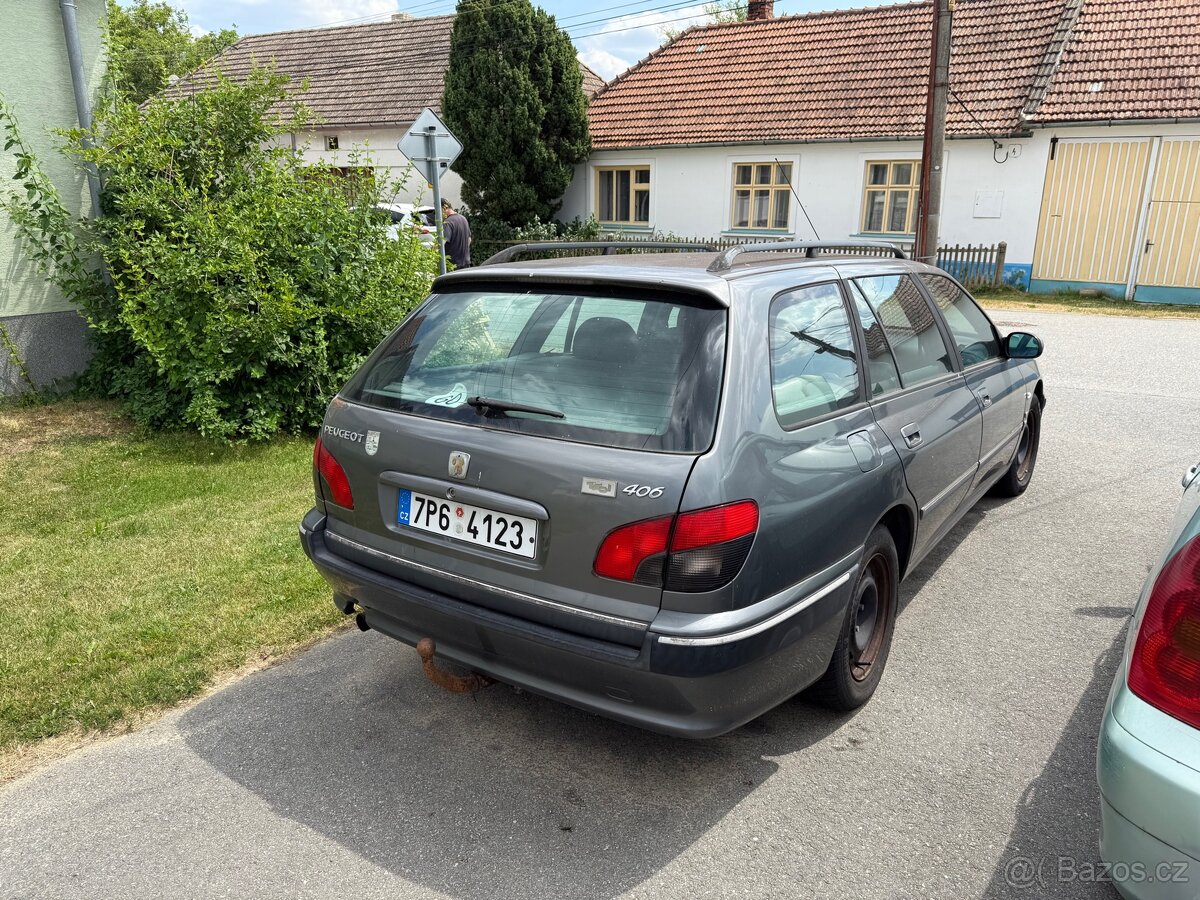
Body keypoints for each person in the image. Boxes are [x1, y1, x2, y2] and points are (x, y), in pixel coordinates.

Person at [441, 200, 472, 269]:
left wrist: (432, 252)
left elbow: (442, 242)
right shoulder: (463, 219)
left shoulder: (447, 223)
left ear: (444, 208)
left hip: (452, 265)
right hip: (466, 262)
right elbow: (469, 240)